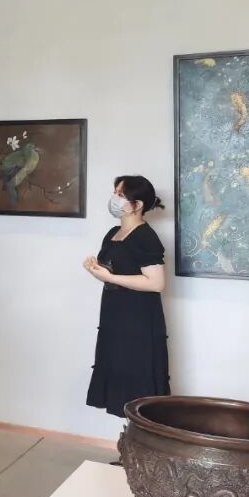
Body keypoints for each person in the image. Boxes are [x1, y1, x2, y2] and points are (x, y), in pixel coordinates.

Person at [83, 176, 170, 432]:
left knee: (137, 376)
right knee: (118, 371)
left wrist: (110, 277)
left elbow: (156, 283)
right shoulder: (113, 234)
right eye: (115, 192)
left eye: (121, 195)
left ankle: (141, 443)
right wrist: (97, 271)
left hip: (138, 319)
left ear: (137, 205)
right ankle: (129, 443)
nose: (115, 198)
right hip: (114, 315)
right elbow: (114, 272)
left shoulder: (146, 237)